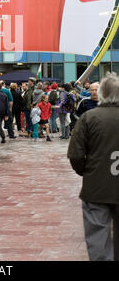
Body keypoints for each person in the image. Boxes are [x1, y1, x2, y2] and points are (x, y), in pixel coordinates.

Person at [67, 72, 119, 261]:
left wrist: (87, 171)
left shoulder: (89, 118)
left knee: (97, 237)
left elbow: (75, 155)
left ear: (102, 94)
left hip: (96, 187)